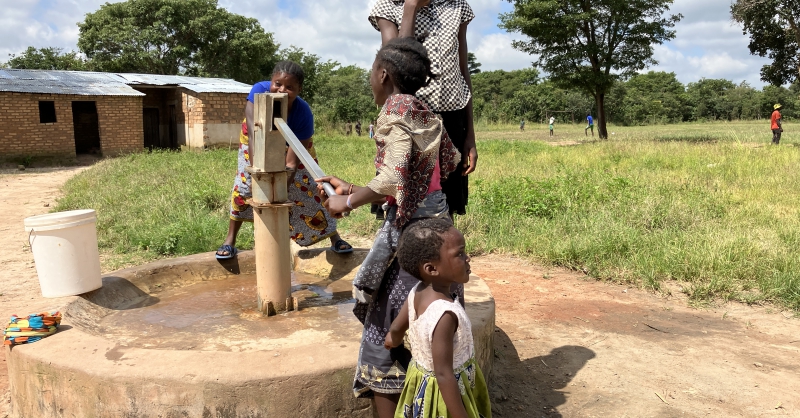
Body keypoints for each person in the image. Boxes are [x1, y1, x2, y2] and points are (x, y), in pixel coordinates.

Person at [315, 38, 461, 418]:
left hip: (409, 237)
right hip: (437, 224)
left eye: (371, 71)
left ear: (383, 74)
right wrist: (357, 187)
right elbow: (446, 162)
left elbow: (394, 177)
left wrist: (346, 201)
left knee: (385, 320)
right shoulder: (423, 110)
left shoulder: (395, 110)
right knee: (436, 324)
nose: (369, 78)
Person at [215, 61, 352, 259]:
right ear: (270, 81)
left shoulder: (302, 113)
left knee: (312, 188)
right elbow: (255, 134)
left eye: (290, 87)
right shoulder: (258, 92)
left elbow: (292, 163)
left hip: (295, 146)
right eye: (277, 84)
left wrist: (280, 190)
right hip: (255, 139)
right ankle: (230, 240)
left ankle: (334, 237)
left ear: (299, 89)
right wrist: (258, 175)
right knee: (245, 188)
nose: (282, 90)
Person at [370, 0, 478, 218]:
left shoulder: (457, 6)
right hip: (408, 118)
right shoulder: (388, 6)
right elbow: (395, 61)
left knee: (443, 202)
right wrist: (410, 7)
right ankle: (403, 250)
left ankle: (442, 250)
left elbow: (463, 70)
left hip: (452, 118)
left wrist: (470, 136)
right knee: (401, 199)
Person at [385, 218, 491, 418]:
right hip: (445, 395)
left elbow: (398, 327)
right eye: (459, 254)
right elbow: (443, 374)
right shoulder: (445, 315)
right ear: (431, 269)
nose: (467, 258)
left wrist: (393, 339)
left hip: (420, 382)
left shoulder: (417, 291)